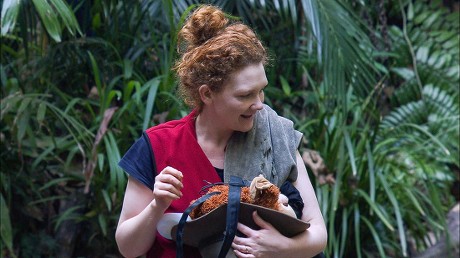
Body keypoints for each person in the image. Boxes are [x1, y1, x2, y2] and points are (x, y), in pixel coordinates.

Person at [115, 5, 327, 258]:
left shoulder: (276, 134)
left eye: (261, 90)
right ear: (207, 94)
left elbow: (317, 235)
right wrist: (157, 205)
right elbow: (128, 249)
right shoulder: (159, 144)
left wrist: (280, 248)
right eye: (245, 95)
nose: (260, 103)